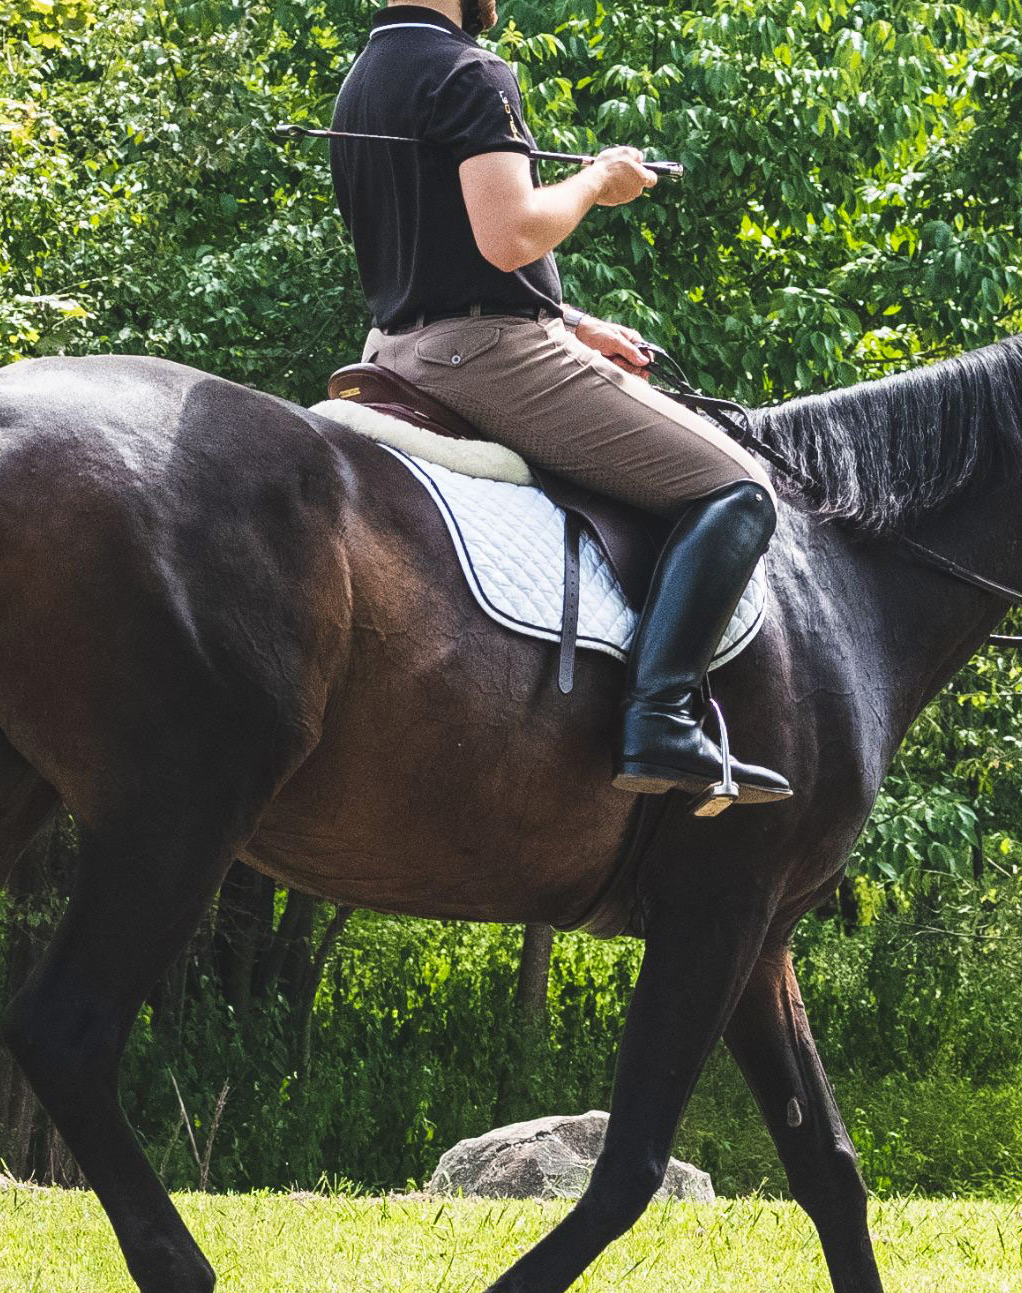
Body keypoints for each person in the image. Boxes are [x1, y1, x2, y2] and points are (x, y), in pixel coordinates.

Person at [329, 0, 790, 808]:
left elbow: (432, 240)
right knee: (738, 490)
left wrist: (573, 322)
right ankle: (661, 719)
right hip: (488, 359)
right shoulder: (470, 70)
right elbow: (508, 236)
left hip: (394, 349)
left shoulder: (364, 80)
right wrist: (598, 179)